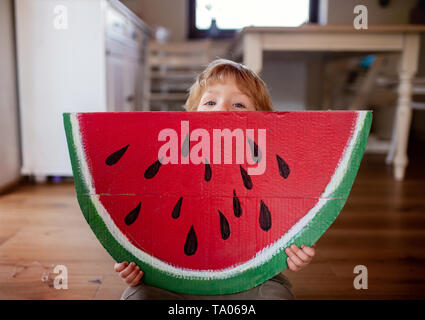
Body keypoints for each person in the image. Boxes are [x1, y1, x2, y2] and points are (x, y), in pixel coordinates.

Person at [115, 59, 316, 300]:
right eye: (210, 102)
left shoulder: (267, 165)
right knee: (137, 295)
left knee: (277, 296)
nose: (221, 110)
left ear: (263, 122)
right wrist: (134, 264)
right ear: (189, 118)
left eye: (239, 104)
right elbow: (145, 218)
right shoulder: (170, 160)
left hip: (253, 278)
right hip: (171, 278)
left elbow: (289, 212)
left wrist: (296, 250)